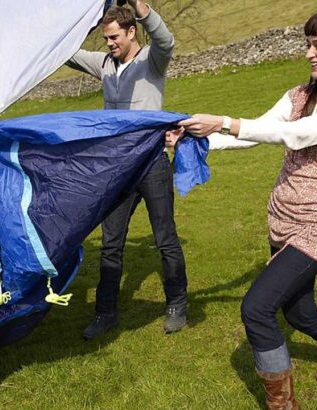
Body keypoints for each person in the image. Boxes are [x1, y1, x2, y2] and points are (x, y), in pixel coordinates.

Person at [171, 4, 317, 408]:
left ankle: (282, 406)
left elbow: (297, 136)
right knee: (300, 313)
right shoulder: (297, 95)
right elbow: (256, 132)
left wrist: (222, 119)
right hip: (283, 219)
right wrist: (194, 140)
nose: (309, 52)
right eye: (307, 44)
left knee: (257, 309)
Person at [67, 0, 188, 340]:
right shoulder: (104, 63)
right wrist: (77, 22)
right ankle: (105, 313)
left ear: (132, 31)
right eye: (106, 38)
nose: (110, 44)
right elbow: (68, 53)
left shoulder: (152, 60)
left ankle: (177, 303)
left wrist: (141, 7)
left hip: (151, 163)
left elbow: (166, 41)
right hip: (118, 167)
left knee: (165, 238)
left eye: (115, 37)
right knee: (110, 242)